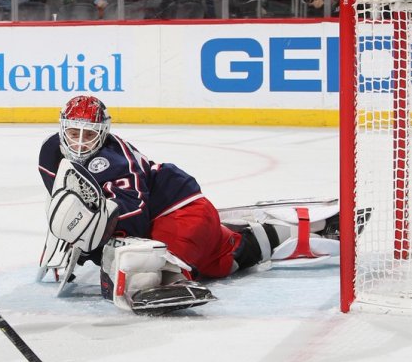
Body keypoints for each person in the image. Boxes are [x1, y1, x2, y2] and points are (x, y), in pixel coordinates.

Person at [38, 96, 342, 313]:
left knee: (144, 277)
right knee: (224, 259)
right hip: (185, 215)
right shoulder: (51, 152)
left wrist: (92, 244)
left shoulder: (117, 161)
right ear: (62, 127)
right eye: (73, 132)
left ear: (102, 132)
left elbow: (135, 222)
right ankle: (298, 231)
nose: (79, 141)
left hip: (180, 213)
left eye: (88, 133)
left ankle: (299, 231)